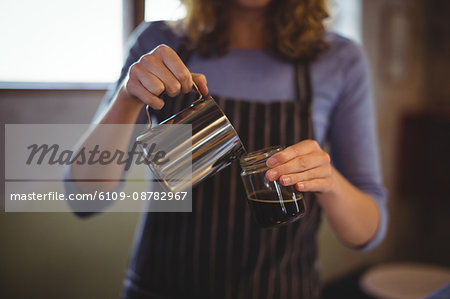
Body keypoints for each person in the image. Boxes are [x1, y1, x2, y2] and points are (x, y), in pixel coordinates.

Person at [67, 0, 388, 298]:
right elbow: (84, 199)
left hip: (281, 287)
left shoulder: (341, 60)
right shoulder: (160, 42)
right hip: (162, 285)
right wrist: (127, 99)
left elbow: (366, 232)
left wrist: (328, 180)